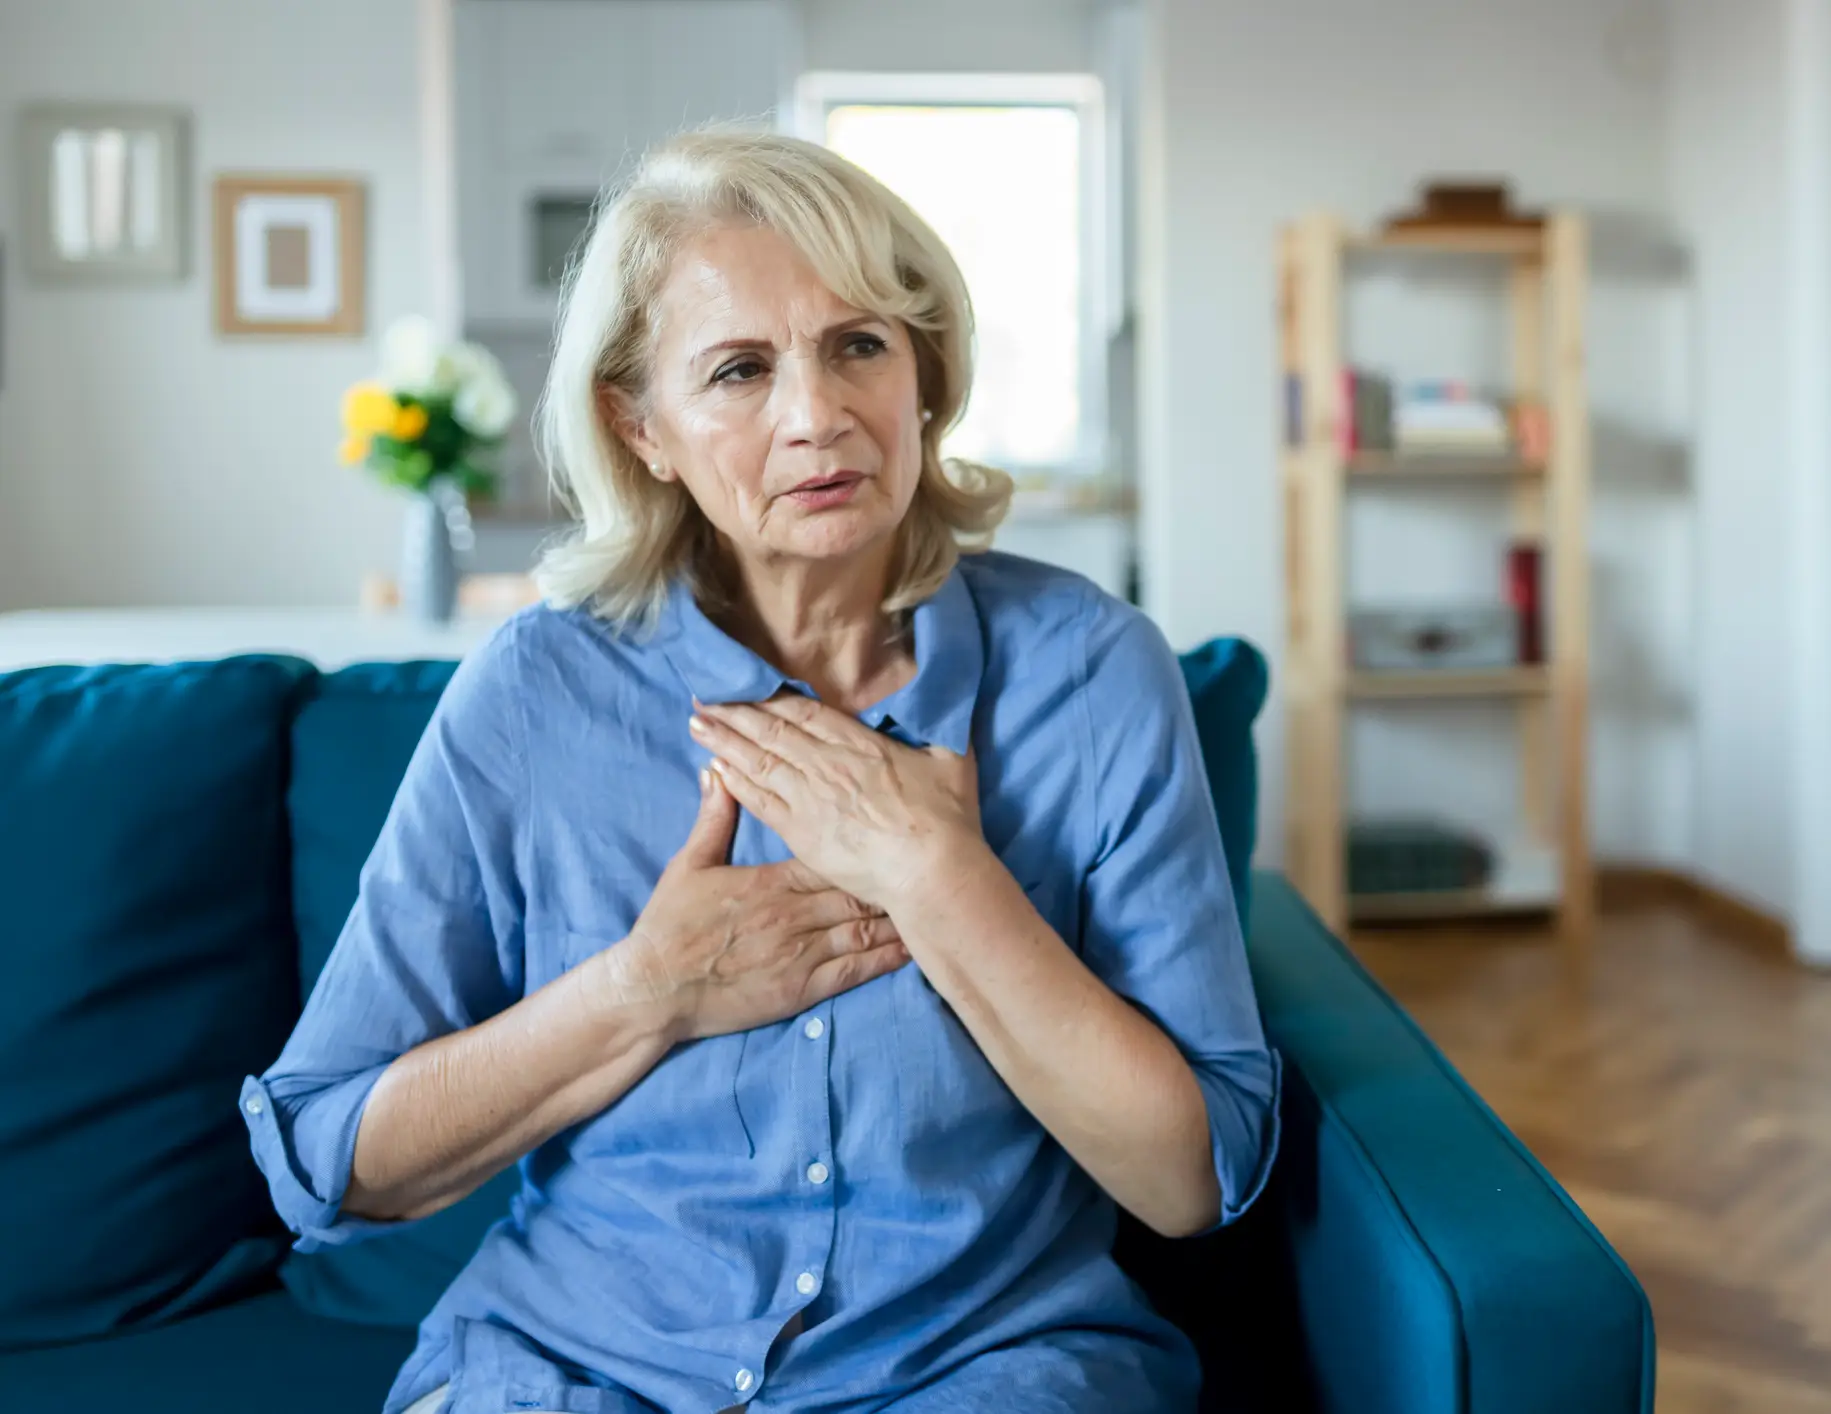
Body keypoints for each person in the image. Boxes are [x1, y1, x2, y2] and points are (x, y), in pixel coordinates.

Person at [241, 128, 1279, 1414]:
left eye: (860, 344)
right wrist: (645, 991)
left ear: (925, 374)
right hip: (573, 1371)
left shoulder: (1097, 671)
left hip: (978, 1367)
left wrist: (940, 875)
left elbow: (1189, 1180)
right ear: (644, 427)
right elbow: (330, 1160)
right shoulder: (536, 691)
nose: (818, 415)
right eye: (739, 369)